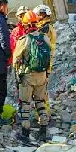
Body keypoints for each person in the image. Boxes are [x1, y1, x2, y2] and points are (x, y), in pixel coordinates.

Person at [13, 11, 53, 142]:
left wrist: (17, 76)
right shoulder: (45, 38)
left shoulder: (24, 40)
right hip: (42, 75)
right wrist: (47, 74)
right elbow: (50, 58)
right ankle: (43, 130)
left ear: (25, 25)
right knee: (40, 103)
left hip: (28, 76)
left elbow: (15, 60)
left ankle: (25, 133)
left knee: (25, 104)